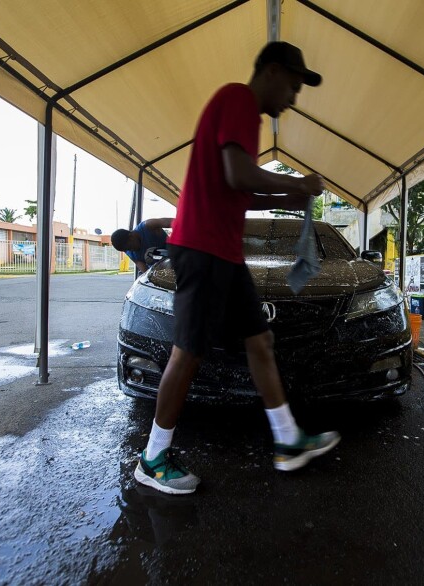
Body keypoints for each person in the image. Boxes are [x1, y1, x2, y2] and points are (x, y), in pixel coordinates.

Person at [134, 41, 339, 495]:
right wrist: (295, 183)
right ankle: (152, 458)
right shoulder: (239, 100)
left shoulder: (245, 116)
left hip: (223, 252)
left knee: (259, 340)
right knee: (187, 352)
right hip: (202, 248)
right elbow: (238, 175)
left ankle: (287, 440)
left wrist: (288, 196)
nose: (293, 98)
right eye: (292, 85)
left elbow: (242, 192)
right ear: (270, 71)